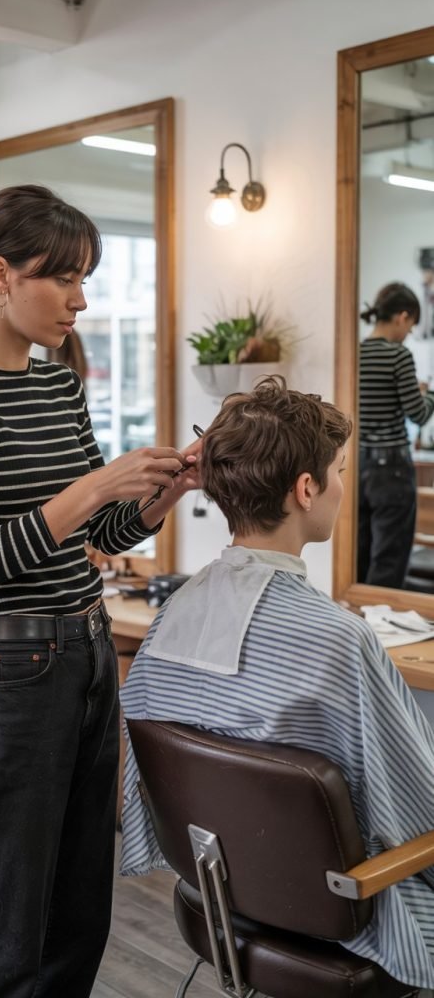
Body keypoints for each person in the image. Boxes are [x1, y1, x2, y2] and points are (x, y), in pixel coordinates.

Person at [0, 184, 199, 998]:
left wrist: (163, 490)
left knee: (78, 913)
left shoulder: (60, 386)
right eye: (61, 277)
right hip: (13, 673)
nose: (79, 298)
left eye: (86, 277)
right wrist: (96, 485)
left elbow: (99, 540)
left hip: (91, 653)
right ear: (0, 275)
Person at [120, 378, 434, 992]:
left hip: (221, 894)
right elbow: (419, 808)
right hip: (349, 915)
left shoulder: (173, 615)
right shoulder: (339, 640)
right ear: (306, 488)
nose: (345, 487)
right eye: (340, 470)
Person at [358, 282, 434, 587]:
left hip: (359, 464)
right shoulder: (398, 355)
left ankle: (361, 614)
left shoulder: (357, 352)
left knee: (360, 551)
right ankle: (385, 625)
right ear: (402, 316)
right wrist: (429, 395)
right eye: (411, 326)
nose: (408, 334)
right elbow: (418, 413)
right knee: (390, 554)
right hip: (391, 469)